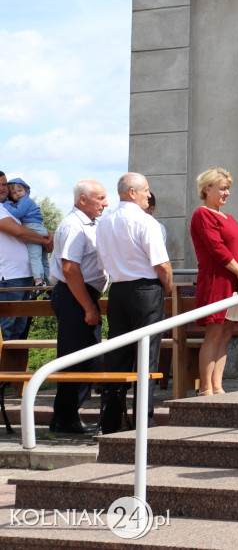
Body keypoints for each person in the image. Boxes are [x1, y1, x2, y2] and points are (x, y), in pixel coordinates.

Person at [95, 172, 173, 433]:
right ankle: (144, 420)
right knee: (147, 355)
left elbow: (103, 260)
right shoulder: (145, 221)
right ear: (132, 192)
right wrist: (167, 286)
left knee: (117, 354)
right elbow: (161, 263)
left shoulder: (105, 222)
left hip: (117, 291)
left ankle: (110, 422)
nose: (149, 195)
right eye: (146, 190)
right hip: (145, 290)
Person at [48, 180, 109, 433]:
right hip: (75, 295)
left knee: (92, 358)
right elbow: (70, 268)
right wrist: (88, 307)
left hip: (82, 294)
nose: (106, 203)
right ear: (82, 199)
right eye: (100, 198)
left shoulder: (90, 224)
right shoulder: (74, 224)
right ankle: (64, 417)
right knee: (76, 359)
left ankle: (66, 415)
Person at [190, 168, 238, 395]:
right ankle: (205, 387)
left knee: (226, 335)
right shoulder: (202, 214)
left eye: (228, 188)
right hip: (217, 281)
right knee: (215, 334)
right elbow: (217, 248)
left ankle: (217, 386)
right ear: (207, 189)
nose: (227, 193)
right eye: (223, 188)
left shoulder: (229, 217)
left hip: (236, 281)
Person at [0, 186, 53, 341]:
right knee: (6, 332)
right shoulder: (6, 208)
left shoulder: (11, 208)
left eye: (4, 184)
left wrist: (47, 235)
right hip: (9, 278)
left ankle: (14, 365)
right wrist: (45, 240)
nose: (3, 188)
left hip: (25, 277)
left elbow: (31, 225)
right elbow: (20, 232)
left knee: (20, 331)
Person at [4, 178, 50, 286]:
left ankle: (39, 281)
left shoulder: (26, 200)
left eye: (19, 191)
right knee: (43, 260)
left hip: (32, 227)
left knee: (34, 256)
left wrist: (7, 205)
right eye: (14, 193)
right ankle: (50, 284)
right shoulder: (24, 201)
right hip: (38, 227)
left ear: (26, 190)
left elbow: (18, 213)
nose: (17, 194)